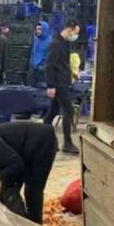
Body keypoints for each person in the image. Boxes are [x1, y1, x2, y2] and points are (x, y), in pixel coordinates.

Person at [43, 19, 81, 154]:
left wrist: (72, 74)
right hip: (58, 84)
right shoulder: (56, 44)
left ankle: (41, 139)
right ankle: (67, 142)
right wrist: (51, 85)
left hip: (63, 81)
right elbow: (49, 66)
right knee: (69, 111)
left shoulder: (65, 44)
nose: (75, 36)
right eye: (75, 32)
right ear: (69, 30)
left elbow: (62, 63)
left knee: (53, 111)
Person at [28, 21, 51, 86]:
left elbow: (50, 57)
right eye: (36, 29)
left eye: (40, 29)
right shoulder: (35, 39)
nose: (37, 31)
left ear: (45, 29)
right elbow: (33, 52)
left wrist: (42, 67)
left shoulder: (50, 42)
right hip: (33, 71)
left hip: (43, 72)